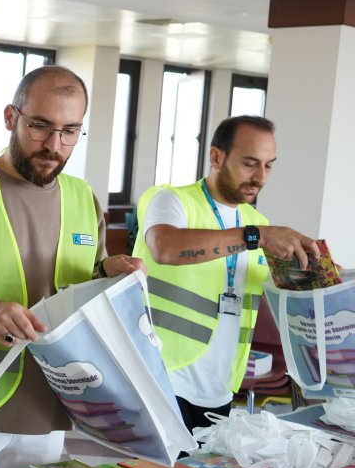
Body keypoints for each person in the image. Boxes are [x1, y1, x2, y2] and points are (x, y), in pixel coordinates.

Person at [0, 65, 145, 468]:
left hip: (51, 401)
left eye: (70, 131)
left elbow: (78, 284)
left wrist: (109, 272)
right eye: (40, 126)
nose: (54, 145)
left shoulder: (83, 199)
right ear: (10, 117)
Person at [132, 115, 318, 433]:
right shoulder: (171, 200)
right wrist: (255, 236)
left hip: (220, 386)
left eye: (268, 165)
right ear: (217, 157)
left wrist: (316, 279)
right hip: (158, 375)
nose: (260, 177)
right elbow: (165, 248)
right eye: (249, 163)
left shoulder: (257, 220)